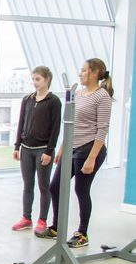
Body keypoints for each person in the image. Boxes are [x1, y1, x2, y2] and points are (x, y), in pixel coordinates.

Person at [40, 58, 113, 248]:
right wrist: (62, 149)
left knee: (81, 190)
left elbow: (102, 129)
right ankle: (56, 226)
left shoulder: (102, 96)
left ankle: (82, 233)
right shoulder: (78, 94)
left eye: (83, 70)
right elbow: (71, 124)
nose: (80, 73)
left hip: (89, 149)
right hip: (71, 147)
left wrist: (92, 158)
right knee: (55, 187)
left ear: (95, 72)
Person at [12, 66, 61, 234]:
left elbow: (55, 128)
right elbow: (21, 123)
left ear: (47, 79)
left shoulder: (54, 101)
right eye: (33, 79)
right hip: (26, 148)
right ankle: (26, 218)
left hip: (43, 149)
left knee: (43, 185)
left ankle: (42, 220)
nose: (35, 82)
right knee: (28, 184)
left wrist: (49, 151)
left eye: (38, 79)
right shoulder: (27, 100)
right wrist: (17, 146)